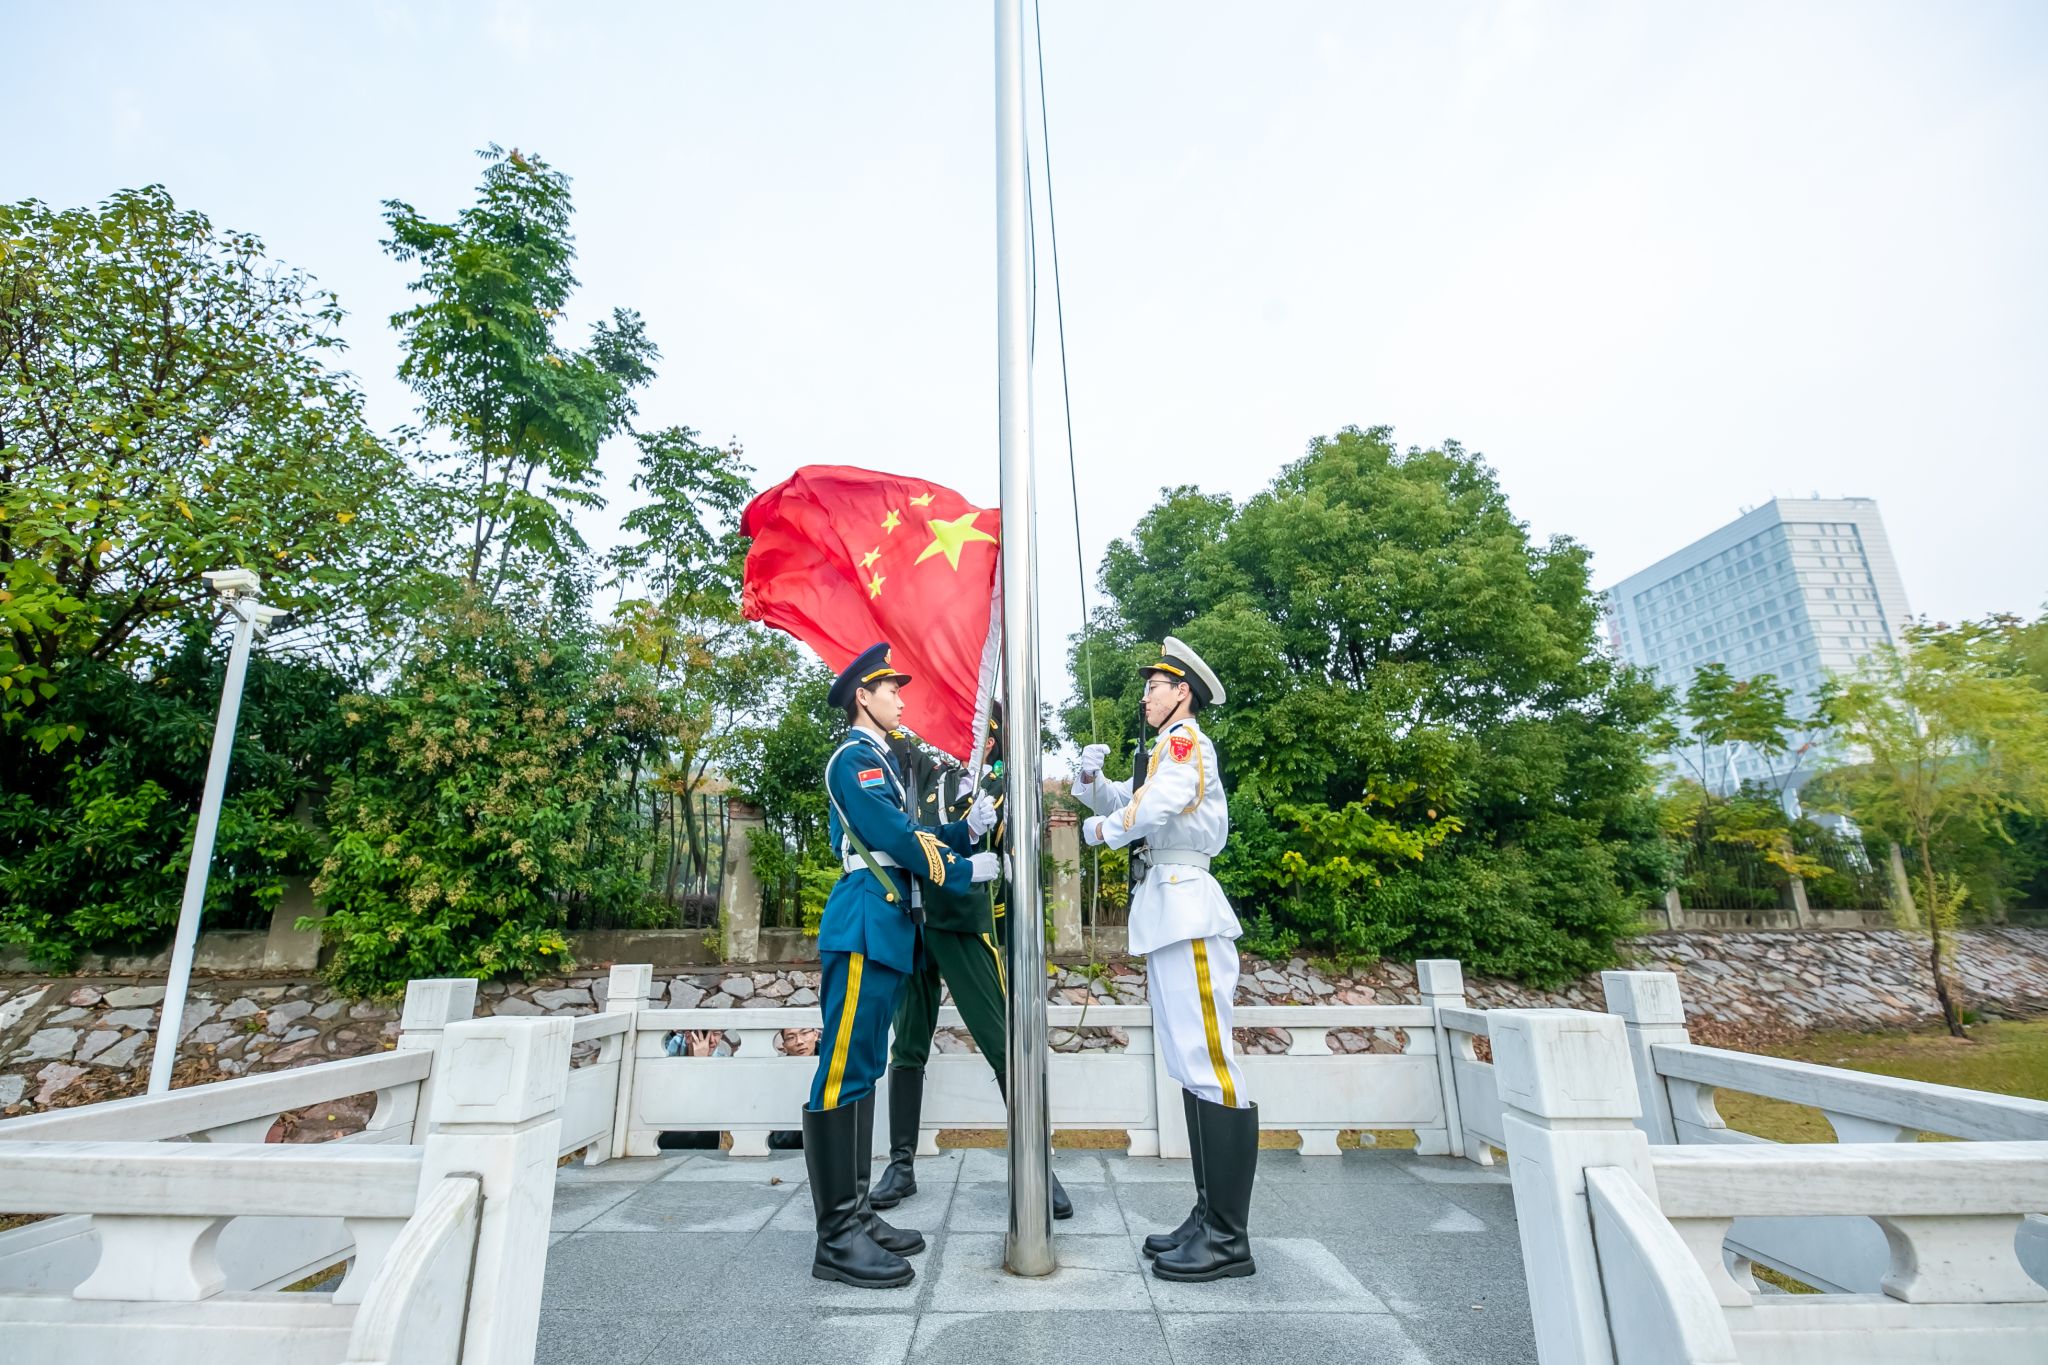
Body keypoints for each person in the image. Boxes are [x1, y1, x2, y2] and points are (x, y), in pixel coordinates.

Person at [802, 642, 1001, 1289]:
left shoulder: (880, 760)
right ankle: (836, 1237)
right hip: (864, 920)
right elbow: (892, 837)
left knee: (863, 1068)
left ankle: (857, 1214)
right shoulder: (854, 759)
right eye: (891, 690)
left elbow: (910, 833)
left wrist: (966, 831)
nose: (900, 700)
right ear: (863, 696)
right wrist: (965, 868)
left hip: (884, 924)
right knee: (844, 1070)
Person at [1075, 637, 1257, 1282]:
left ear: (1182, 692)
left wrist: (1104, 829)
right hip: (1168, 903)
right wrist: (1093, 785)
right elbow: (1134, 799)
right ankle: (1207, 1218)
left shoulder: (1184, 743)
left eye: (1154, 686)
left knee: (1209, 1062)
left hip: (1189, 906)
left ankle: (1228, 1238)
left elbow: (1157, 804)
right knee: (1188, 1062)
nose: (1145, 696)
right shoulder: (1162, 751)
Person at [869, 705, 1074, 1220]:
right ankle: (901, 1163)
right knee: (907, 1045)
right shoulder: (928, 775)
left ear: (993, 740)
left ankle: (1038, 1165)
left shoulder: (1006, 787)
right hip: (915, 918)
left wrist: (990, 825)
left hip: (963, 920)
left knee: (1002, 1041)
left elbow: (1013, 852)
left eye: (978, 731)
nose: (964, 738)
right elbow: (907, 832)